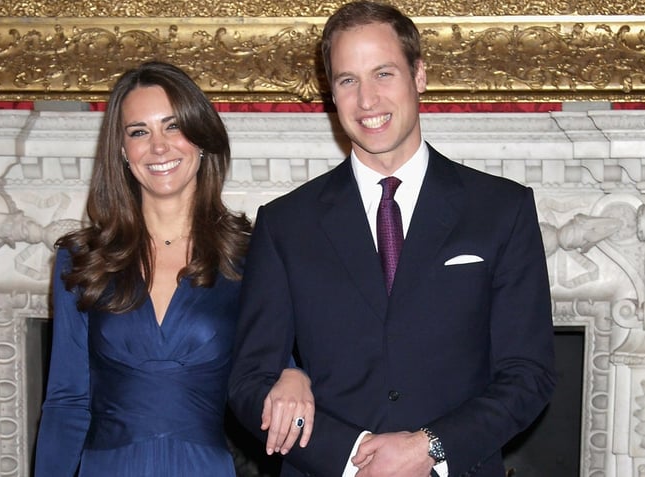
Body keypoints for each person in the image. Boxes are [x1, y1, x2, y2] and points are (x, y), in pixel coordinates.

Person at [228, 2, 557, 476]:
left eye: (383, 74)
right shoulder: (285, 224)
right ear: (331, 94)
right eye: (348, 80)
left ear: (418, 76)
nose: (367, 100)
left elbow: (530, 375)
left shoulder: (502, 210)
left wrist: (431, 448)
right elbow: (248, 382)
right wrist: (353, 454)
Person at [34, 61, 314, 477]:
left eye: (173, 126)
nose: (158, 147)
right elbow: (66, 401)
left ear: (201, 139)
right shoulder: (81, 261)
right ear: (123, 152)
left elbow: (280, 360)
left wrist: (297, 376)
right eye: (139, 132)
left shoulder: (251, 255)